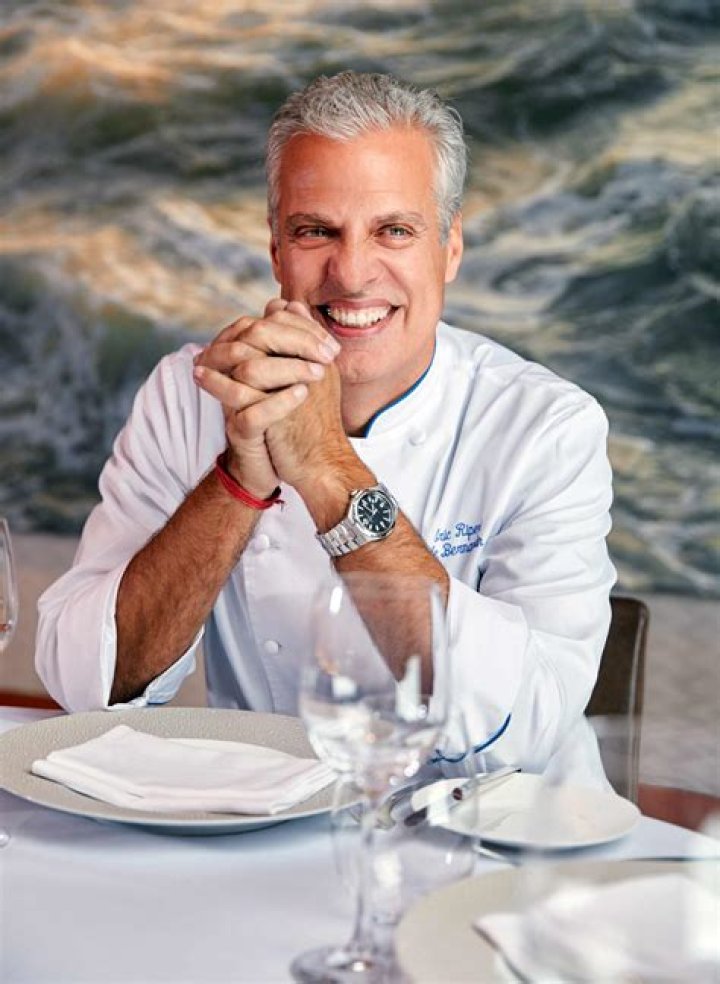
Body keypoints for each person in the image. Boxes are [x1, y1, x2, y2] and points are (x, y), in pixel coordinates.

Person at [36, 72, 615, 779]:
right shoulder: (192, 393)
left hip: (482, 834)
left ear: (450, 249)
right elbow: (88, 686)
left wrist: (326, 468)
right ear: (276, 251)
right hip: (259, 820)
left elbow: (525, 728)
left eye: (394, 231)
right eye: (316, 231)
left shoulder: (546, 428)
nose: (353, 274)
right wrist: (238, 480)